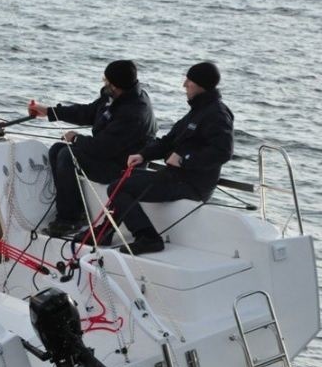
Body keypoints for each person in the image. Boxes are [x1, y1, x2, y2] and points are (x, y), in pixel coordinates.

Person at [100, 62, 234, 255]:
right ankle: (105, 232)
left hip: (192, 184)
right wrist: (143, 155)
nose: (184, 85)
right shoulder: (199, 110)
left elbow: (223, 152)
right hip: (175, 176)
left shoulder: (217, 114)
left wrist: (184, 159)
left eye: (189, 81)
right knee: (122, 179)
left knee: (118, 187)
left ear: (200, 85)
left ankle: (148, 238)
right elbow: (169, 141)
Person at [28, 60, 157, 237]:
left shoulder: (135, 112)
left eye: (106, 81)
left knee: (67, 155)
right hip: (109, 156)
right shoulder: (116, 97)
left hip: (122, 167)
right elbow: (88, 112)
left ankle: (70, 220)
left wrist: (76, 138)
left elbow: (102, 148)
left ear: (116, 85)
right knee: (57, 150)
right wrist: (50, 112)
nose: (104, 83)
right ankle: (75, 210)